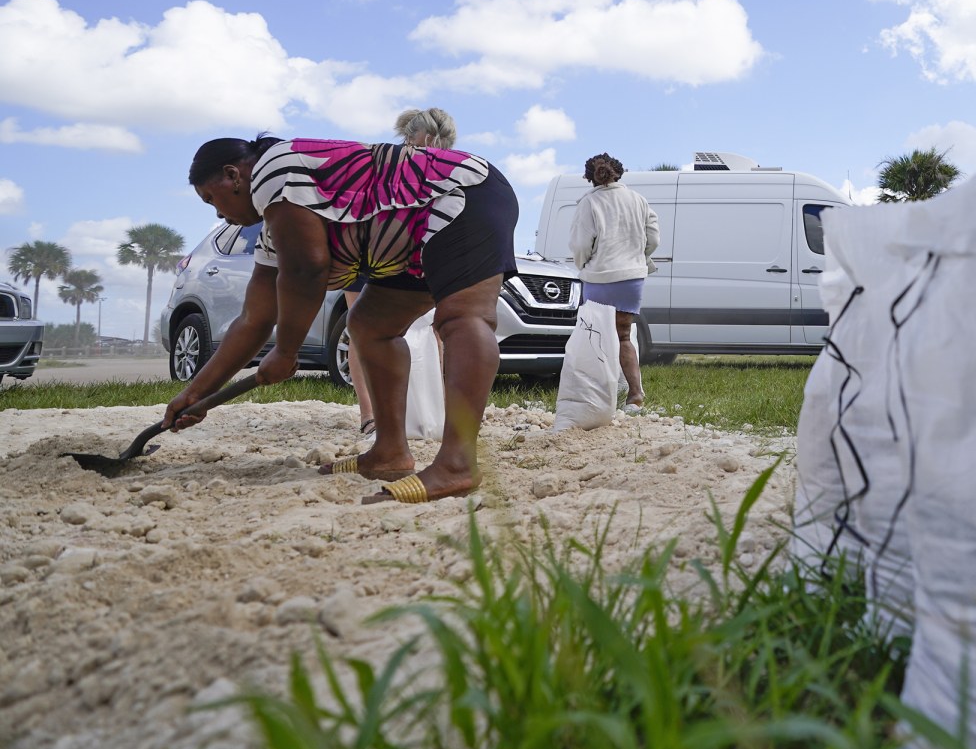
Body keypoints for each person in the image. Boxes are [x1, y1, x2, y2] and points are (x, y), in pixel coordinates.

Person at [165, 134, 518, 504]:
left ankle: (458, 464)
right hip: (409, 234)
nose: (219, 214)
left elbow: (307, 269)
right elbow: (253, 318)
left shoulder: (274, 170)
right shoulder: (276, 228)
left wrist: (286, 352)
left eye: (211, 199)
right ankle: (390, 453)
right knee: (369, 325)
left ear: (232, 175)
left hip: (462, 193)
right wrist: (194, 394)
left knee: (463, 317)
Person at [344, 107, 459, 434]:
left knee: (432, 328)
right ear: (409, 139)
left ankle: (438, 409)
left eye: (440, 145)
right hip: (367, 248)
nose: (432, 150)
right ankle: (369, 413)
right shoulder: (385, 162)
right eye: (425, 143)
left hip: (415, 253)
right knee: (360, 327)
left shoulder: (445, 167)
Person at [568, 152, 658, 412]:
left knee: (594, 337)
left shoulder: (589, 203)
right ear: (620, 171)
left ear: (589, 177)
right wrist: (638, 257)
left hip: (599, 277)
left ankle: (599, 395)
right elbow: (653, 238)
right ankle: (634, 394)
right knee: (623, 336)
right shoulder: (639, 200)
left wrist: (583, 264)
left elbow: (582, 243)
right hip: (632, 277)